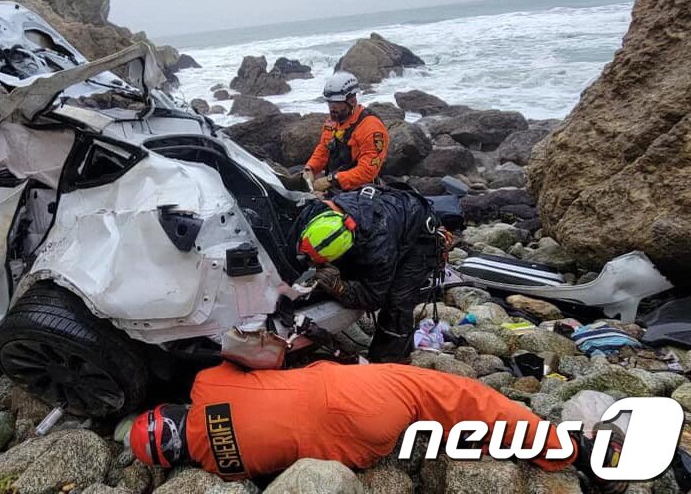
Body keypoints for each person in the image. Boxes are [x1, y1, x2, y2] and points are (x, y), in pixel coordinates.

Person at [128, 361, 626, 493]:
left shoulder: (224, 468)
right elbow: (259, 355)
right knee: (458, 397)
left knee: (431, 420)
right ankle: (571, 448)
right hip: (355, 397)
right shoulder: (207, 385)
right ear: (169, 411)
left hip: (360, 450)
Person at [292, 184, 443, 363]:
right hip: (388, 213)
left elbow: (373, 297)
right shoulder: (316, 213)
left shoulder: (378, 250)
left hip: (418, 237)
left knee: (397, 303)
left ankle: (388, 362)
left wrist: (339, 287)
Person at [304, 72, 389, 194]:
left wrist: (331, 180)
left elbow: (367, 171)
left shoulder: (371, 128)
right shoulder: (332, 122)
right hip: (335, 184)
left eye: (337, 103)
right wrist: (310, 169)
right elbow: (323, 149)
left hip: (361, 190)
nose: (332, 108)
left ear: (352, 101)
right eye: (330, 103)